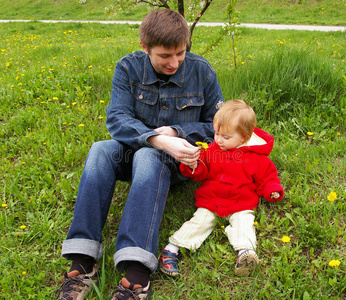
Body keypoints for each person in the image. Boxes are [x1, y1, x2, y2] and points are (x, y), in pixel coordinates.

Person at [57, 8, 224, 300]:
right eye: (164, 56)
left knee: (148, 157)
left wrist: (175, 133)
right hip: (136, 152)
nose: (174, 62)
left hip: (178, 162)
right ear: (144, 47)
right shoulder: (127, 68)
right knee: (100, 149)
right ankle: (81, 262)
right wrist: (157, 139)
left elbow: (217, 126)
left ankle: (136, 273)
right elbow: (117, 119)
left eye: (180, 54)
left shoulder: (203, 71)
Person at [159, 100, 284, 278]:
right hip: (211, 201)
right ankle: (172, 249)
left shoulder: (257, 158)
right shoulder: (212, 150)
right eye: (216, 133)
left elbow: (268, 177)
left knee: (244, 222)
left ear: (244, 137)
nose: (218, 140)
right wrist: (193, 165)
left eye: (225, 137)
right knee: (199, 222)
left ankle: (245, 253)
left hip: (240, 202)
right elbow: (202, 170)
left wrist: (272, 189)